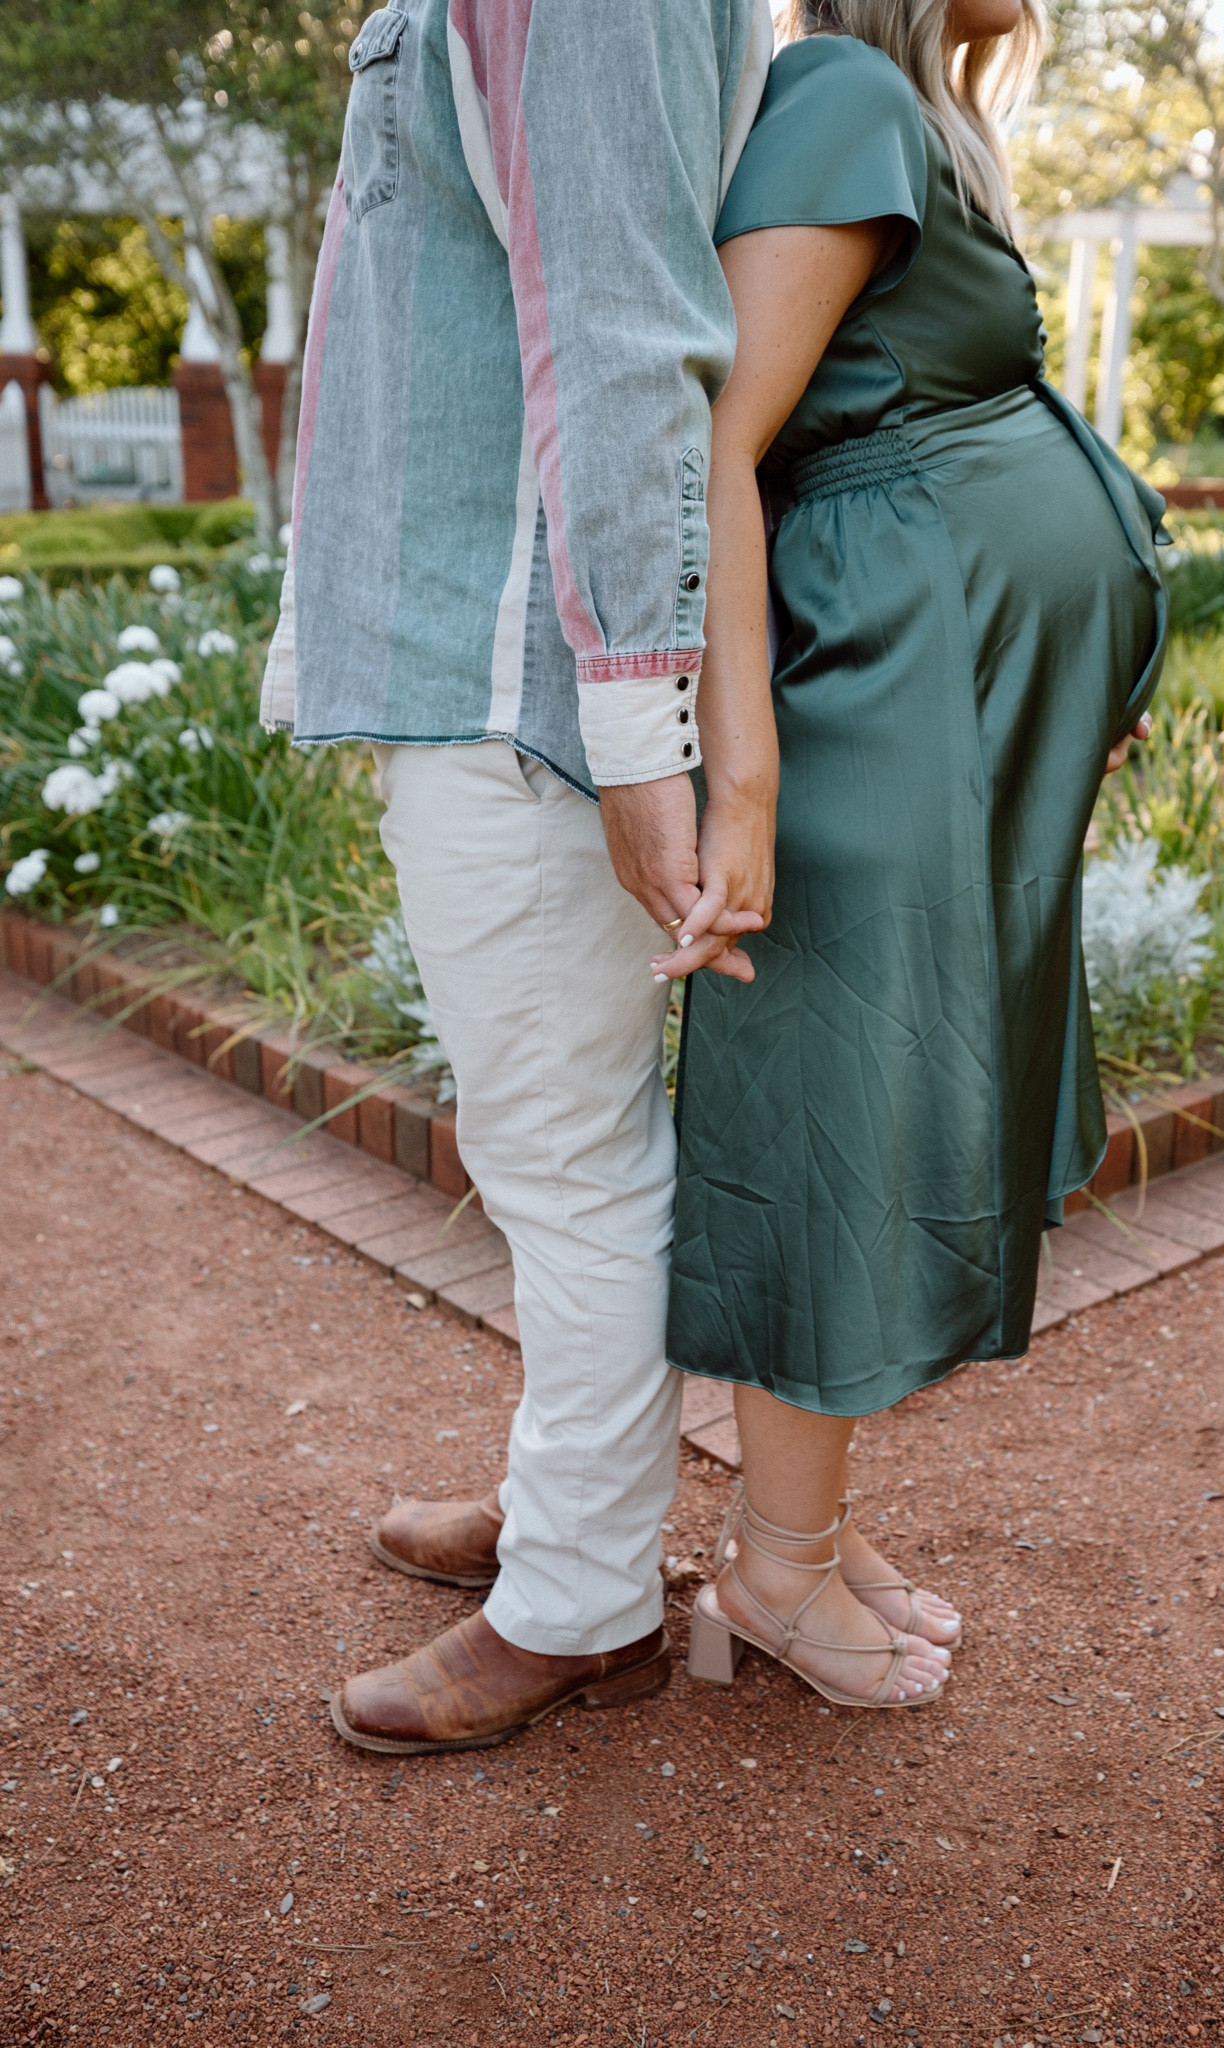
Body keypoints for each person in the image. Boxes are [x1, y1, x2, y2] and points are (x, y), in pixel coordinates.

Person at [260, 0, 776, 1754]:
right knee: (547, 1146)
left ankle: (580, 1599)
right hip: (489, 662)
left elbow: (624, 344)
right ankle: (571, 1503)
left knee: (566, 1157)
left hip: (527, 680)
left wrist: (636, 740)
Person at [653, 0, 1168, 1709]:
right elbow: (716, 441)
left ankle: (799, 1529)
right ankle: (772, 1581)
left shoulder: (900, 114)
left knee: (873, 1105)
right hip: (877, 708)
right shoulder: (841, 88)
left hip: (942, 711)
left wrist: (1078, 656)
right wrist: (743, 777)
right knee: (836, 1112)